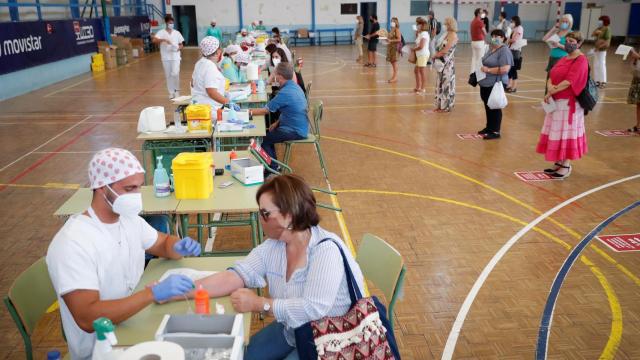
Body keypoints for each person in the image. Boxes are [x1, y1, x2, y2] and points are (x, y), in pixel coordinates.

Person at [46, 148, 201, 360]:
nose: (136, 196)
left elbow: (162, 243)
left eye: (138, 187)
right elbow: (87, 317)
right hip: (102, 349)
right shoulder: (73, 243)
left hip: (135, 322)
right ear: (102, 188)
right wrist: (151, 294)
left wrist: (178, 247)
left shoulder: (128, 219)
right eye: (129, 188)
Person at [190, 174, 366, 360]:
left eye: (265, 213)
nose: (260, 218)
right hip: (294, 330)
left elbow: (313, 308)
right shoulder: (275, 245)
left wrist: (258, 304)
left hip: (330, 341)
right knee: (243, 356)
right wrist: (182, 290)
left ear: (288, 216)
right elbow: (238, 275)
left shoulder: (325, 250)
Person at [536, 32, 589, 179]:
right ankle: (558, 162)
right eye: (567, 41)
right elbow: (552, 74)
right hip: (556, 101)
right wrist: (550, 87)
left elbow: (570, 81)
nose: (568, 43)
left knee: (566, 133)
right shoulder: (564, 58)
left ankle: (566, 164)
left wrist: (552, 90)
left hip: (569, 104)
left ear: (578, 44)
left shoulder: (581, 60)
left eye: (572, 41)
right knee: (557, 132)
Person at [248, 63, 308, 171]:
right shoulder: (295, 87)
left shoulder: (285, 93)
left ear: (279, 76)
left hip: (294, 130)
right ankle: (273, 163)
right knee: (269, 136)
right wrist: (277, 123)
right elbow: (288, 110)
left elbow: (266, 110)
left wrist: (248, 112)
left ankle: (273, 168)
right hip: (299, 126)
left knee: (264, 140)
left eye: (275, 74)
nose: (274, 76)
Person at [478, 29, 513, 140]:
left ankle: (495, 131)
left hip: (496, 82)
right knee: (488, 105)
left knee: (495, 106)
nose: (495, 38)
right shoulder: (491, 48)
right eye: (493, 36)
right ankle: (489, 127)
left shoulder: (504, 51)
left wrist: (488, 70)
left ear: (503, 38)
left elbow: (505, 69)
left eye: (498, 36)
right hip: (485, 82)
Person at [191, 37, 232, 109]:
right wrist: (228, 103)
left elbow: (193, 83)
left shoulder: (200, 63)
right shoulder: (210, 67)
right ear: (217, 51)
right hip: (210, 110)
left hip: (199, 107)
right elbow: (212, 92)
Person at [152, 14, 184, 99]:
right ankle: (171, 92)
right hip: (166, 57)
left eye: (172, 23)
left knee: (175, 73)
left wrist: (178, 48)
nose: (171, 24)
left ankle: (177, 90)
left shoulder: (176, 33)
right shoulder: (161, 32)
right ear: (166, 23)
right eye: (170, 23)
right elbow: (154, 40)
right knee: (168, 75)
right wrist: (163, 40)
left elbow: (181, 44)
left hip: (176, 56)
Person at [433, 17, 458, 113]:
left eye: (446, 24)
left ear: (450, 25)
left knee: (446, 85)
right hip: (441, 62)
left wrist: (436, 55)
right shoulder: (445, 34)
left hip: (447, 64)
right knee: (440, 84)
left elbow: (446, 50)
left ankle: (446, 107)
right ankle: (439, 105)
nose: (444, 25)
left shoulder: (453, 36)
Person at [543, 14, 573, 81]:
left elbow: (571, 49)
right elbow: (544, 39)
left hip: (562, 59)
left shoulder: (571, 34)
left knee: (558, 79)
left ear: (570, 23)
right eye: (563, 21)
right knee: (550, 79)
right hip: (552, 58)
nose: (564, 23)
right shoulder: (557, 32)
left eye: (566, 22)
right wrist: (553, 29)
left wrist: (559, 45)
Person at [592, 15, 611, 88]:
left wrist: (599, 47)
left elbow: (607, 42)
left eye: (600, 20)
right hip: (596, 49)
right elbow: (592, 34)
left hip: (602, 50)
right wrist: (596, 32)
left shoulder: (607, 29)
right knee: (596, 65)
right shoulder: (599, 28)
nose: (599, 22)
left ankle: (603, 81)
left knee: (601, 65)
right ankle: (597, 81)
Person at [507, 15, 524, 93]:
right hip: (510, 49)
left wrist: (507, 40)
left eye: (512, 21)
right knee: (510, 69)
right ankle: (509, 85)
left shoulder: (519, 28)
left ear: (516, 21)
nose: (511, 23)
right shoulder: (513, 29)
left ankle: (514, 87)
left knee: (513, 69)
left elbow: (514, 40)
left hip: (516, 51)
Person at [413, 17, 430, 94]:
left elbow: (421, 46)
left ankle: (423, 88)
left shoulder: (424, 34)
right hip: (419, 55)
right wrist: (416, 34)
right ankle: (418, 87)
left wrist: (413, 49)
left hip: (423, 54)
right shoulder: (420, 34)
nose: (417, 26)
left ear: (422, 25)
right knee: (416, 71)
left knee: (422, 71)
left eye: (418, 24)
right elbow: (417, 42)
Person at [470, 8, 488, 73]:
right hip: (479, 42)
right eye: (481, 12)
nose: (482, 14)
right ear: (478, 14)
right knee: (480, 58)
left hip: (473, 42)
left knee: (474, 58)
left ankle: (472, 73)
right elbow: (485, 32)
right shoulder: (479, 22)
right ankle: (479, 73)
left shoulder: (473, 21)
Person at [627, 47, 640, 133]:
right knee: (638, 104)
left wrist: (638, 56)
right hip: (638, 77)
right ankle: (638, 126)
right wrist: (634, 58)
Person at [386, 17, 402, 83]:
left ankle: (395, 77)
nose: (391, 22)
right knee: (392, 62)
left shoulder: (397, 29)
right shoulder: (392, 29)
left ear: (395, 22)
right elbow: (389, 37)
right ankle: (394, 76)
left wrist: (391, 40)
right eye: (391, 21)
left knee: (394, 62)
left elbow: (399, 39)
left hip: (395, 47)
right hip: (391, 47)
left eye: (393, 21)